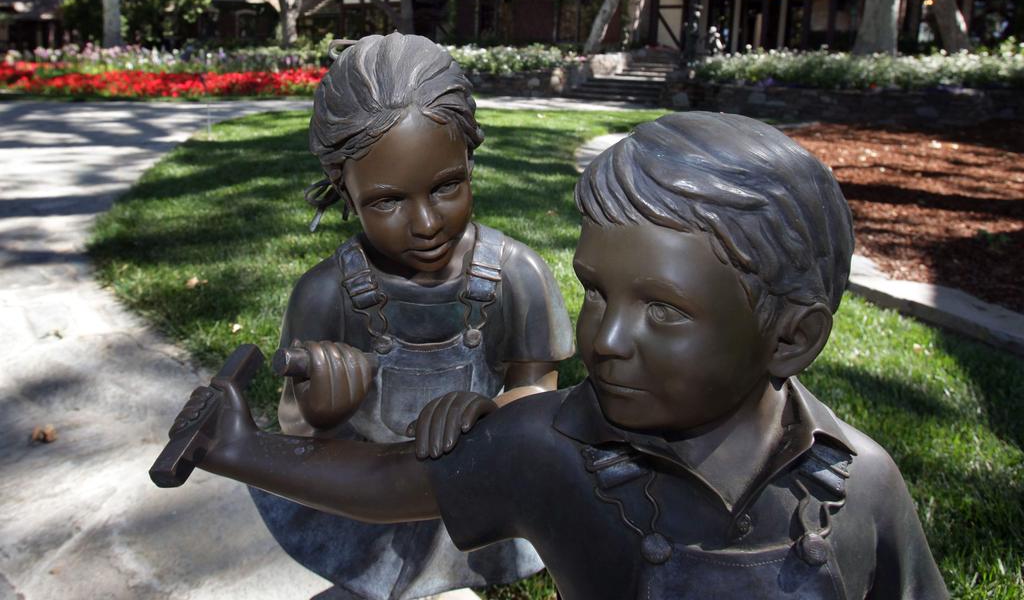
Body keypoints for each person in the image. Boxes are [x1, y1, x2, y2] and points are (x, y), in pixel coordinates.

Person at [165, 112, 947, 600]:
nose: (603, 339)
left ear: (791, 338)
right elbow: (388, 483)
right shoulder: (553, 444)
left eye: (664, 311)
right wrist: (238, 447)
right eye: (596, 292)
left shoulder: (861, 487)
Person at [251, 32, 573, 600]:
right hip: (365, 503)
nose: (425, 223)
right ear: (343, 192)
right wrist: (318, 412)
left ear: (469, 158)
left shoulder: (517, 275)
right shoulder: (325, 295)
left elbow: (538, 391)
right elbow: (294, 425)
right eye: (387, 200)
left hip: (472, 499)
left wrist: (491, 414)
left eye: (447, 186)